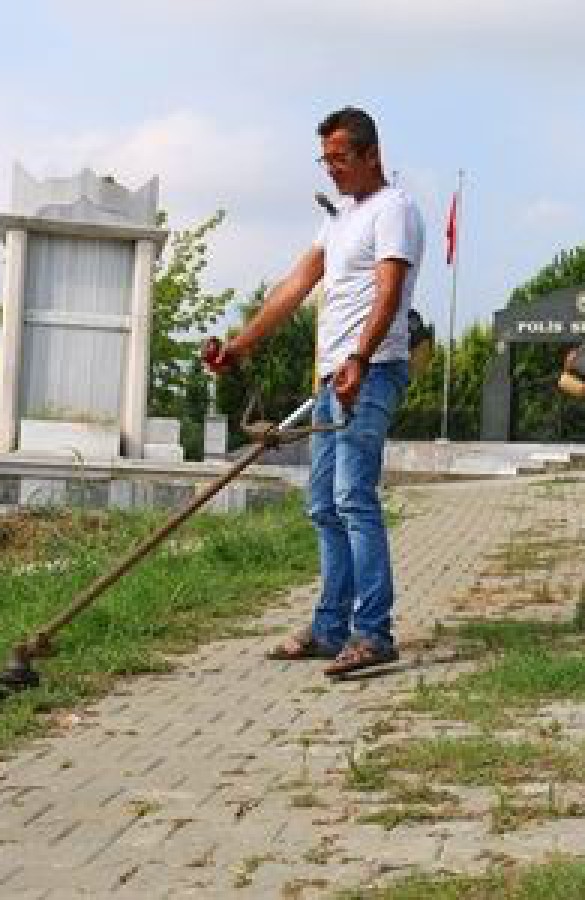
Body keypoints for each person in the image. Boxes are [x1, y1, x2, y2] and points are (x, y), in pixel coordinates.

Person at [203, 107, 424, 676]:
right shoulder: (340, 218)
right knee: (323, 504)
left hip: (370, 372)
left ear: (373, 154)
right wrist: (240, 346)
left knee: (354, 497)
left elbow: (390, 291)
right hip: (332, 376)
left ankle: (373, 633)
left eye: (341, 160)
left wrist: (359, 356)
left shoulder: (393, 210)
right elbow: (296, 285)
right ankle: (330, 629)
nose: (332, 171)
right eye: (324, 161)